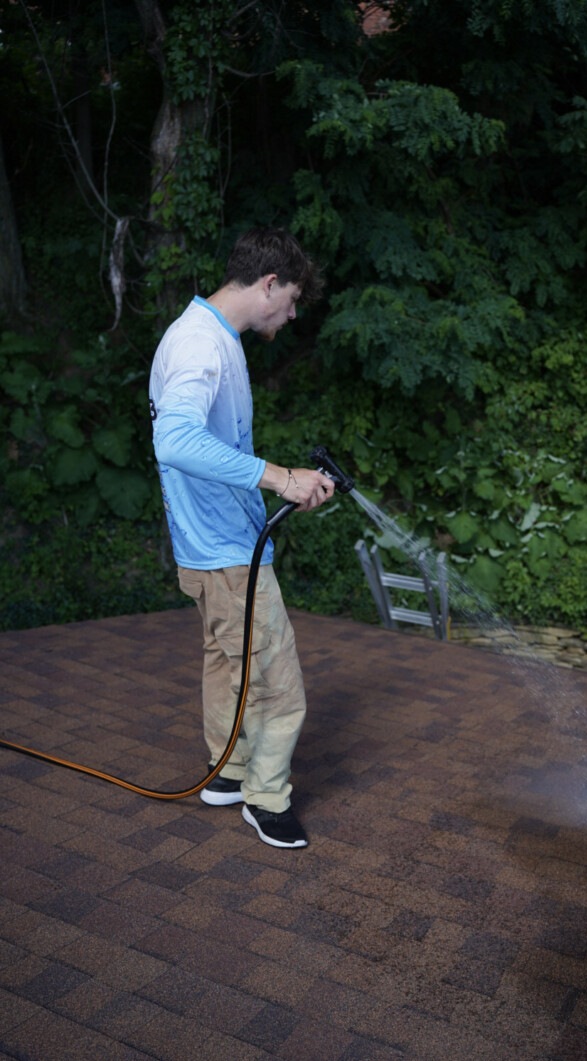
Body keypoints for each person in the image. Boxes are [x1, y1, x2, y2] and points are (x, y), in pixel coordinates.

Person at [149, 227, 334, 849]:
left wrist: (281, 483)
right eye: (290, 302)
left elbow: (209, 449)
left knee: (229, 663)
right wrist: (280, 478)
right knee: (277, 685)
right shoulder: (201, 346)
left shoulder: (206, 335)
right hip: (225, 554)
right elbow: (174, 441)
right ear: (269, 283)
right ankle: (266, 798)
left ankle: (227, 774)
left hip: (213, 548)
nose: (290, 315)